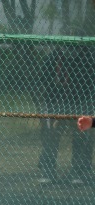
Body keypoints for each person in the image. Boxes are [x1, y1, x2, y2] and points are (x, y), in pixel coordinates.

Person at [37, 45, 95, 184]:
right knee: (52, 133)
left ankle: (79, 171)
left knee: (81, 133)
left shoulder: (89, 56)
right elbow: (43, 80)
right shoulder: (54, 56)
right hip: (56, 100)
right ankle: (48, 170)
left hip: (81, 100)